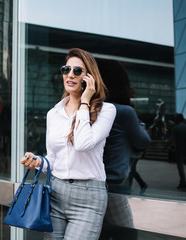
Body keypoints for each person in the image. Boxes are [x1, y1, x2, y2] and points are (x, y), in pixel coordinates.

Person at [21, 48, 116, 240]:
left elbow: (83, 143)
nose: (70, 75)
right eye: (66, 69)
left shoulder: (106, 110)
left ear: (89, 77)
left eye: (77, 71)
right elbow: (54, 159)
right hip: (55, 193)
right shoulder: (53, 113)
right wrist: (38, 161)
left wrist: (85, 102)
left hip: (88, 198)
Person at [100, 61, 151, 235]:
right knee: (128, 234)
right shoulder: (123, 111)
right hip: (114, 186)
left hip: (93, 184)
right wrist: (140, 123)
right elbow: (143, 141)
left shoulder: (92, 109)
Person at [168, 113, 186, 189]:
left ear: (177, 119)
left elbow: (171, 139)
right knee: (181, 166)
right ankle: (182, 182)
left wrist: (165, 147)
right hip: (185, 149)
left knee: (180, 167)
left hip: (179, 149)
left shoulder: (176, 128)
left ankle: (184, 182)